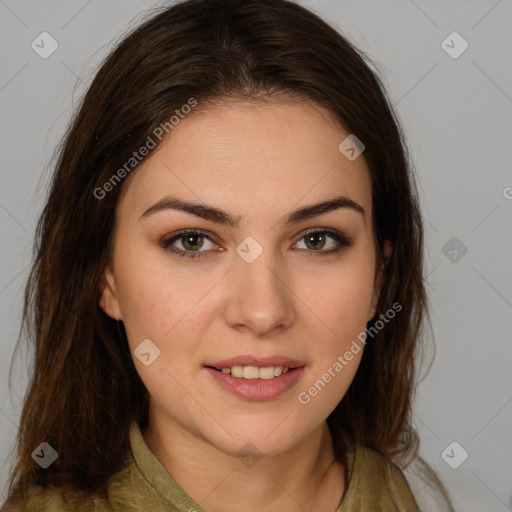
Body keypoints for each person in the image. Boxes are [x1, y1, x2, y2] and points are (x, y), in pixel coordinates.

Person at [2, 0, 455, 510]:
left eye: (317, 239)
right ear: (105, 277)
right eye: (192, 241)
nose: (262, 312)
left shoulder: (408, 496)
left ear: (380, 276)